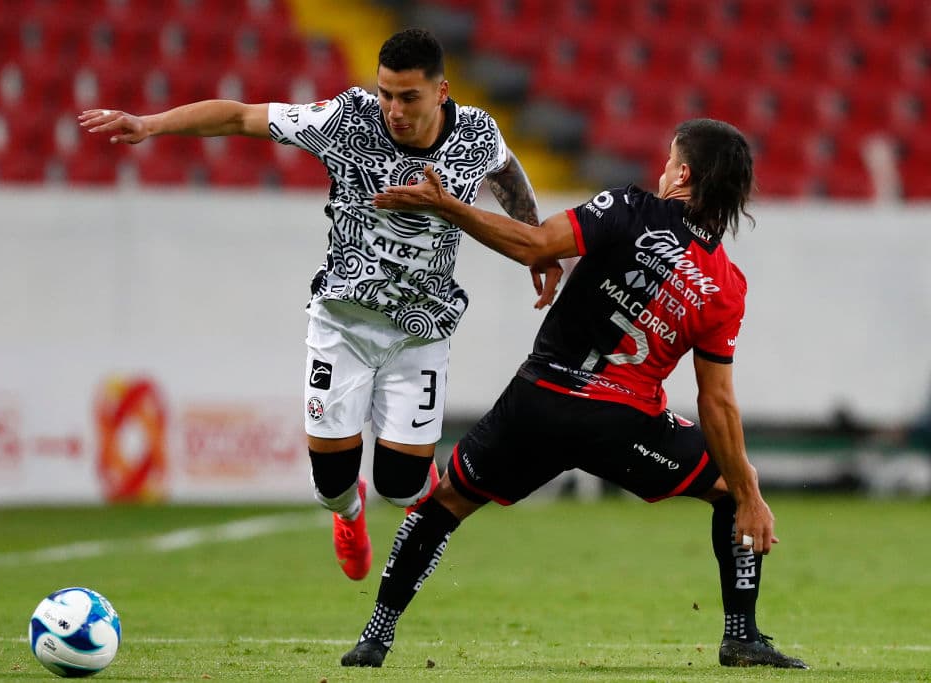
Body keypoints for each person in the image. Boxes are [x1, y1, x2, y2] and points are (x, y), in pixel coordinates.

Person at [78, 28, 561, 582]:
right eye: (385, 93)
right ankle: (348, 516)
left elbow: (504, 168)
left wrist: (534, 243)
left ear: (441, 92)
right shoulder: (348, 121)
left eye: (408, 97)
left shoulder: (476, 133)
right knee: (332, 484)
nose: (394, 110)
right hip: (343, 321)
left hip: (423, 331)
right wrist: (151, 124)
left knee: (402, 486)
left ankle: (384, 495)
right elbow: (240, 116)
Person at [342, 118, 808, 669]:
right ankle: (742, 635)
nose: (660, 171)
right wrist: (750, 493)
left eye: (668, 161)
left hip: (539, 403)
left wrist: (448, 206)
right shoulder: (726, 286)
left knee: (443, 506)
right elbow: (717, 402)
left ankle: (376, 635)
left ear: (682, 173)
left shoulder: (628, 208)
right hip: (622, 424)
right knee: (730, 490)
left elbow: (535, 245)